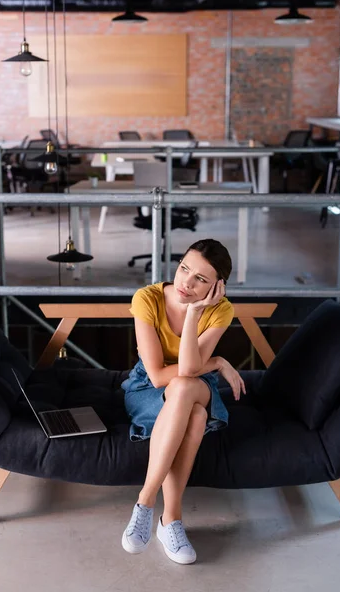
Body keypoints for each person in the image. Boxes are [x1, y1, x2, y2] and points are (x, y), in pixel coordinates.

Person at [121, 238, 245, 565]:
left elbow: (190, 370)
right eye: (184, 269)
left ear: (217, 286)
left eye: (200, 280)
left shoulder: (221, 309)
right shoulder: (146, 298)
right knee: (194, 414)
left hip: (197, 384)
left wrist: (194, 313)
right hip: (148, 387)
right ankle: (169, 520)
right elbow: (159, 375)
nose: (186, 283)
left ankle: (144, 502)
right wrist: (216, 361)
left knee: (186, 386)